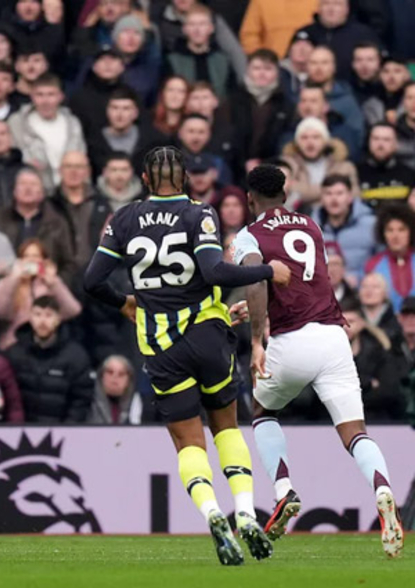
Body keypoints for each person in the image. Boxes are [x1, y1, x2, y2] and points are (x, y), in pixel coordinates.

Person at [84, 147, 290, 565]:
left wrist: (124, 300)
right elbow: (215, 272)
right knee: (227, 428)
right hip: (207, 334)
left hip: (161, 344)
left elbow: (92, 281)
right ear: (186, 179)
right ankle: (247, 513)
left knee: (187, 442)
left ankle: (213, 513)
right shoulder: (200, 214)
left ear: (144, 177)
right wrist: (268, 270)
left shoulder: (124, 217)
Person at [234, 165, 404, 556]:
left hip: (290, 342)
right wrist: (255, 308)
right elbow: (301, 282)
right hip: (333, 338)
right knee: (355, 431)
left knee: (261, 410)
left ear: (249, 198)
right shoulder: (311, 225)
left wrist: (257, 339)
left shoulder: (249, 236)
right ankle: (382, 488)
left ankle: (284, 489)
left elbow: (259, 279)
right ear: (286, 192)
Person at [3, 296, 95, 424]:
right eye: (37, 314)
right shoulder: (14, 353)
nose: (42, 321)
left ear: (58, 319)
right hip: (21, 433)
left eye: (48, 315)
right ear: (30, 317)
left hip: (62, 434)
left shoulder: (76, 356)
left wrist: (69, 429)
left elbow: (81, 399)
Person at [0, 239, 82, 350]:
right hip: (15, 344)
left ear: (44, 260)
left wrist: (54, 284)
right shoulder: (9, 282)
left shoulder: (51, 284)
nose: (31, 259)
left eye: (35, 256)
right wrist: (14, 279)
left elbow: (73, 311)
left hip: (47, 344)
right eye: (26, 256)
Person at [6, 72, 86, 190]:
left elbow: (81, 158)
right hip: (34, 190)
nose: (45, 101)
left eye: (51, 94)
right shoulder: (17, 122)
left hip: (68, 190)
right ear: (32, 96)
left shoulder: (72, 122)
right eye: (40, 95)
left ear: (60, 97)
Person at [315, 174, 376, 282]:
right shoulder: (310, 227)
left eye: (339, 193)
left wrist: (360, 278)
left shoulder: (371, 225)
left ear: (349, 197)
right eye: (328, 194)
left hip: (361, 289)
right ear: (322, 198)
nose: (334, 199)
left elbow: (382, 260)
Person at [364, 206, 415, 312]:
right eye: (390, 230)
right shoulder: (373, 264)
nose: (395, 236)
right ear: (383, 234)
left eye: (402, 229)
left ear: (411, 232)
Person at [358, 124, 415, 209]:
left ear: (396, 144)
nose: (380, 144)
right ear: (368, 142)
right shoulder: (357, 173)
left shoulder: (410, 174)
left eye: (386, 140)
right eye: (376, 139)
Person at [87, 354, 144, 425]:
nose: (114, 379)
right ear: (101, 376)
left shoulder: (139, 405)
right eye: (110, 372)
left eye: (121, 374)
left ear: (129, 380)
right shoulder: (86, 404)